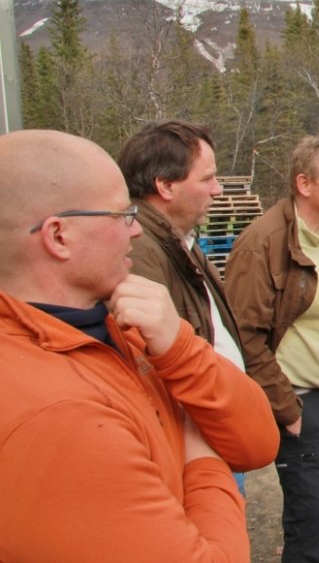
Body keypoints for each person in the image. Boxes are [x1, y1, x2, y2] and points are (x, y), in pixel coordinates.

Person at [0, 129, 279, 561]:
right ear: (59, 236)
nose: (135, 231)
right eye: (120, 215)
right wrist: (201, 455)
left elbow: (258, 442)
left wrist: (181, 349)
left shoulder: (118, 326)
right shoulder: (53, 414)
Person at [225, 136, 319, 563]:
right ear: (304, 184)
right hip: (304, 403)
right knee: (313, 520)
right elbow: (244, 337)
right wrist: (286, 410)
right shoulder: (262, 244)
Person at [119, 121, 251, 492]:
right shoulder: (139, 249)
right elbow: (148, 361)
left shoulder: (178, 238)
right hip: (193, 442)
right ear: (165, 185)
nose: (217, 189)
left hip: (212, 427)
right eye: (207, 178)